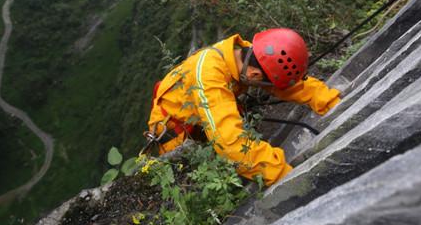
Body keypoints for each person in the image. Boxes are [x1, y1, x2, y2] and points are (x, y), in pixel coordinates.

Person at [145, 28, 340, 186]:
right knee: (193, 181)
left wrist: (333, 104)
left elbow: (292, 85)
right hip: (175, 134)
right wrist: (286, 176)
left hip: (202, 118)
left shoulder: (248, 56)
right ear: (255, 76)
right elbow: (229, 144)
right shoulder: (209, 76)